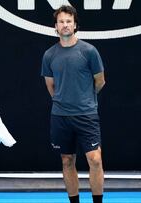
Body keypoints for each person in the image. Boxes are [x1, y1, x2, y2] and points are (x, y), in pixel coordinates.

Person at [41, 5, 105, 203]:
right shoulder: (49, 55)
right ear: (56, 26)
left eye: (69, 21)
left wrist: (83, 99)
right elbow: (50, 86)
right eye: (61, 22)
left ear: (75, 25)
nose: (65, 25)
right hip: (60, 117)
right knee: (67, 160)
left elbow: (100, 81)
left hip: (86, 115)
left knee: (95, 159)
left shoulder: (89, 51)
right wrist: (64, 100)